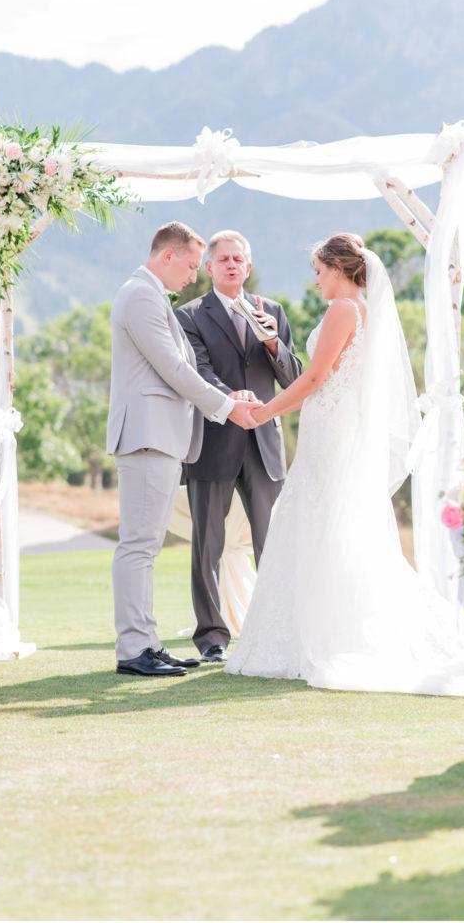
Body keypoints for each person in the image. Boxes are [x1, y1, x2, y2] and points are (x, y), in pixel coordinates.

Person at [225, 233, 464, 694]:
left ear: (336, 267)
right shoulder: (365, 313)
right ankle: (314, 629)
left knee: (317, 518)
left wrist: (266, 413)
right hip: (337, 426)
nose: (315, 281)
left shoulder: (343, 310)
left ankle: (312, 638)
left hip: (331, 430)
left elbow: (314, 377)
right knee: (329, 523)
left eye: (318, 270)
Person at [107, 222, 259, 679]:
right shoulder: (140, 295)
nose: (194, 276)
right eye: (193, 265)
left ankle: (146, 643)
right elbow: (173, 368)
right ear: (167, 256)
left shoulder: (150, 295)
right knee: (139, 545)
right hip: (147, 435)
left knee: (145, 545)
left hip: (159, 436)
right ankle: (135, 648)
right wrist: (228, 406)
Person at [175, 230, 302, 662]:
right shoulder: (188, 315)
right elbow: (198, 373)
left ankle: (277, 631)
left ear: (248, 267)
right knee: (206, 546)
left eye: (238, 259)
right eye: (223, 259)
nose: (231, 264)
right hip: (213, 441)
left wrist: (272, 340)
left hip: (265, 444)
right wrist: (232, 401)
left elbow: (293, 377)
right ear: (208, 267)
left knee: (275, 543)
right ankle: (212, 640)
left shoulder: (275, 312)